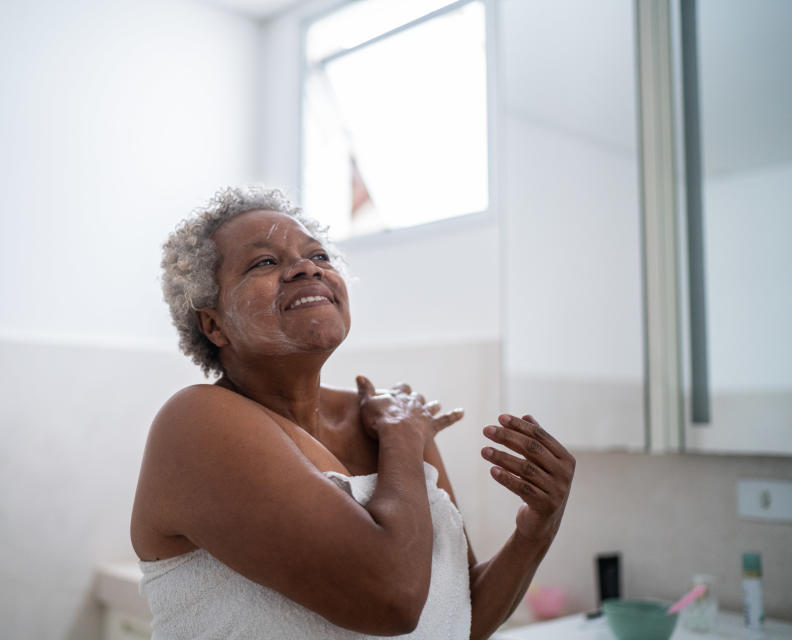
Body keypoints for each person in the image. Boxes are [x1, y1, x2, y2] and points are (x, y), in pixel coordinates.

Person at [130, 186, 576, 639]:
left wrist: (536, 530)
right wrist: (404, 435)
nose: (307, 267)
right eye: (264, 262)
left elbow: (458, 617)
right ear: (213, 324)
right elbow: (393, 601)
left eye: (319, 256)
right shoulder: (196, 423)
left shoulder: (386, 420)